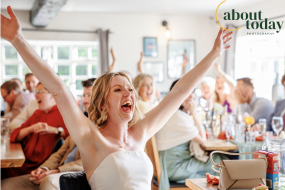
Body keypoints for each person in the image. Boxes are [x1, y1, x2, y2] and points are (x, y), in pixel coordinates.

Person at [1, 7, 232, 189]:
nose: (129, 93)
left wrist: (214, 54)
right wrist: (18, 40)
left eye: (130, 89)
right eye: (118, 90)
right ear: (102, 103)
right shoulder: (91, 139)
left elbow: (180, 91)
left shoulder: (140, 132)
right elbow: (58, 88)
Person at [156, 79, 227, 190]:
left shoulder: (172, 112)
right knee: (221, 161)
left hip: (167, 164)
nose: (190, 96)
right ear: (175, 95)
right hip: (175, 168)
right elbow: (202, 140)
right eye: (186, 92)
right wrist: (194, 113)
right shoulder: (178, 116)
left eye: (192, 92)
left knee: (219, 160)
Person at [1, 82, 69, 179]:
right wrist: (31, 128)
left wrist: (55, 130)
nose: (35, 95)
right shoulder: (38, 113)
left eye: (39, 91)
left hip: (38, 168)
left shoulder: (64, 114)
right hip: (24, 163)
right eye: (35, 92)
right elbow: (15, 135)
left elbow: (73, 139)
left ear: (52, 95)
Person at [1, 135, 82, 190]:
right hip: (53, 171)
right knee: (4, 185)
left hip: (75, 176)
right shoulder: (78, 126)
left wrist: (58, 171)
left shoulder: (93, 129)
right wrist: (43, 168)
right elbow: (58, 154)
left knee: (48, 181)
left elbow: (88, 163)